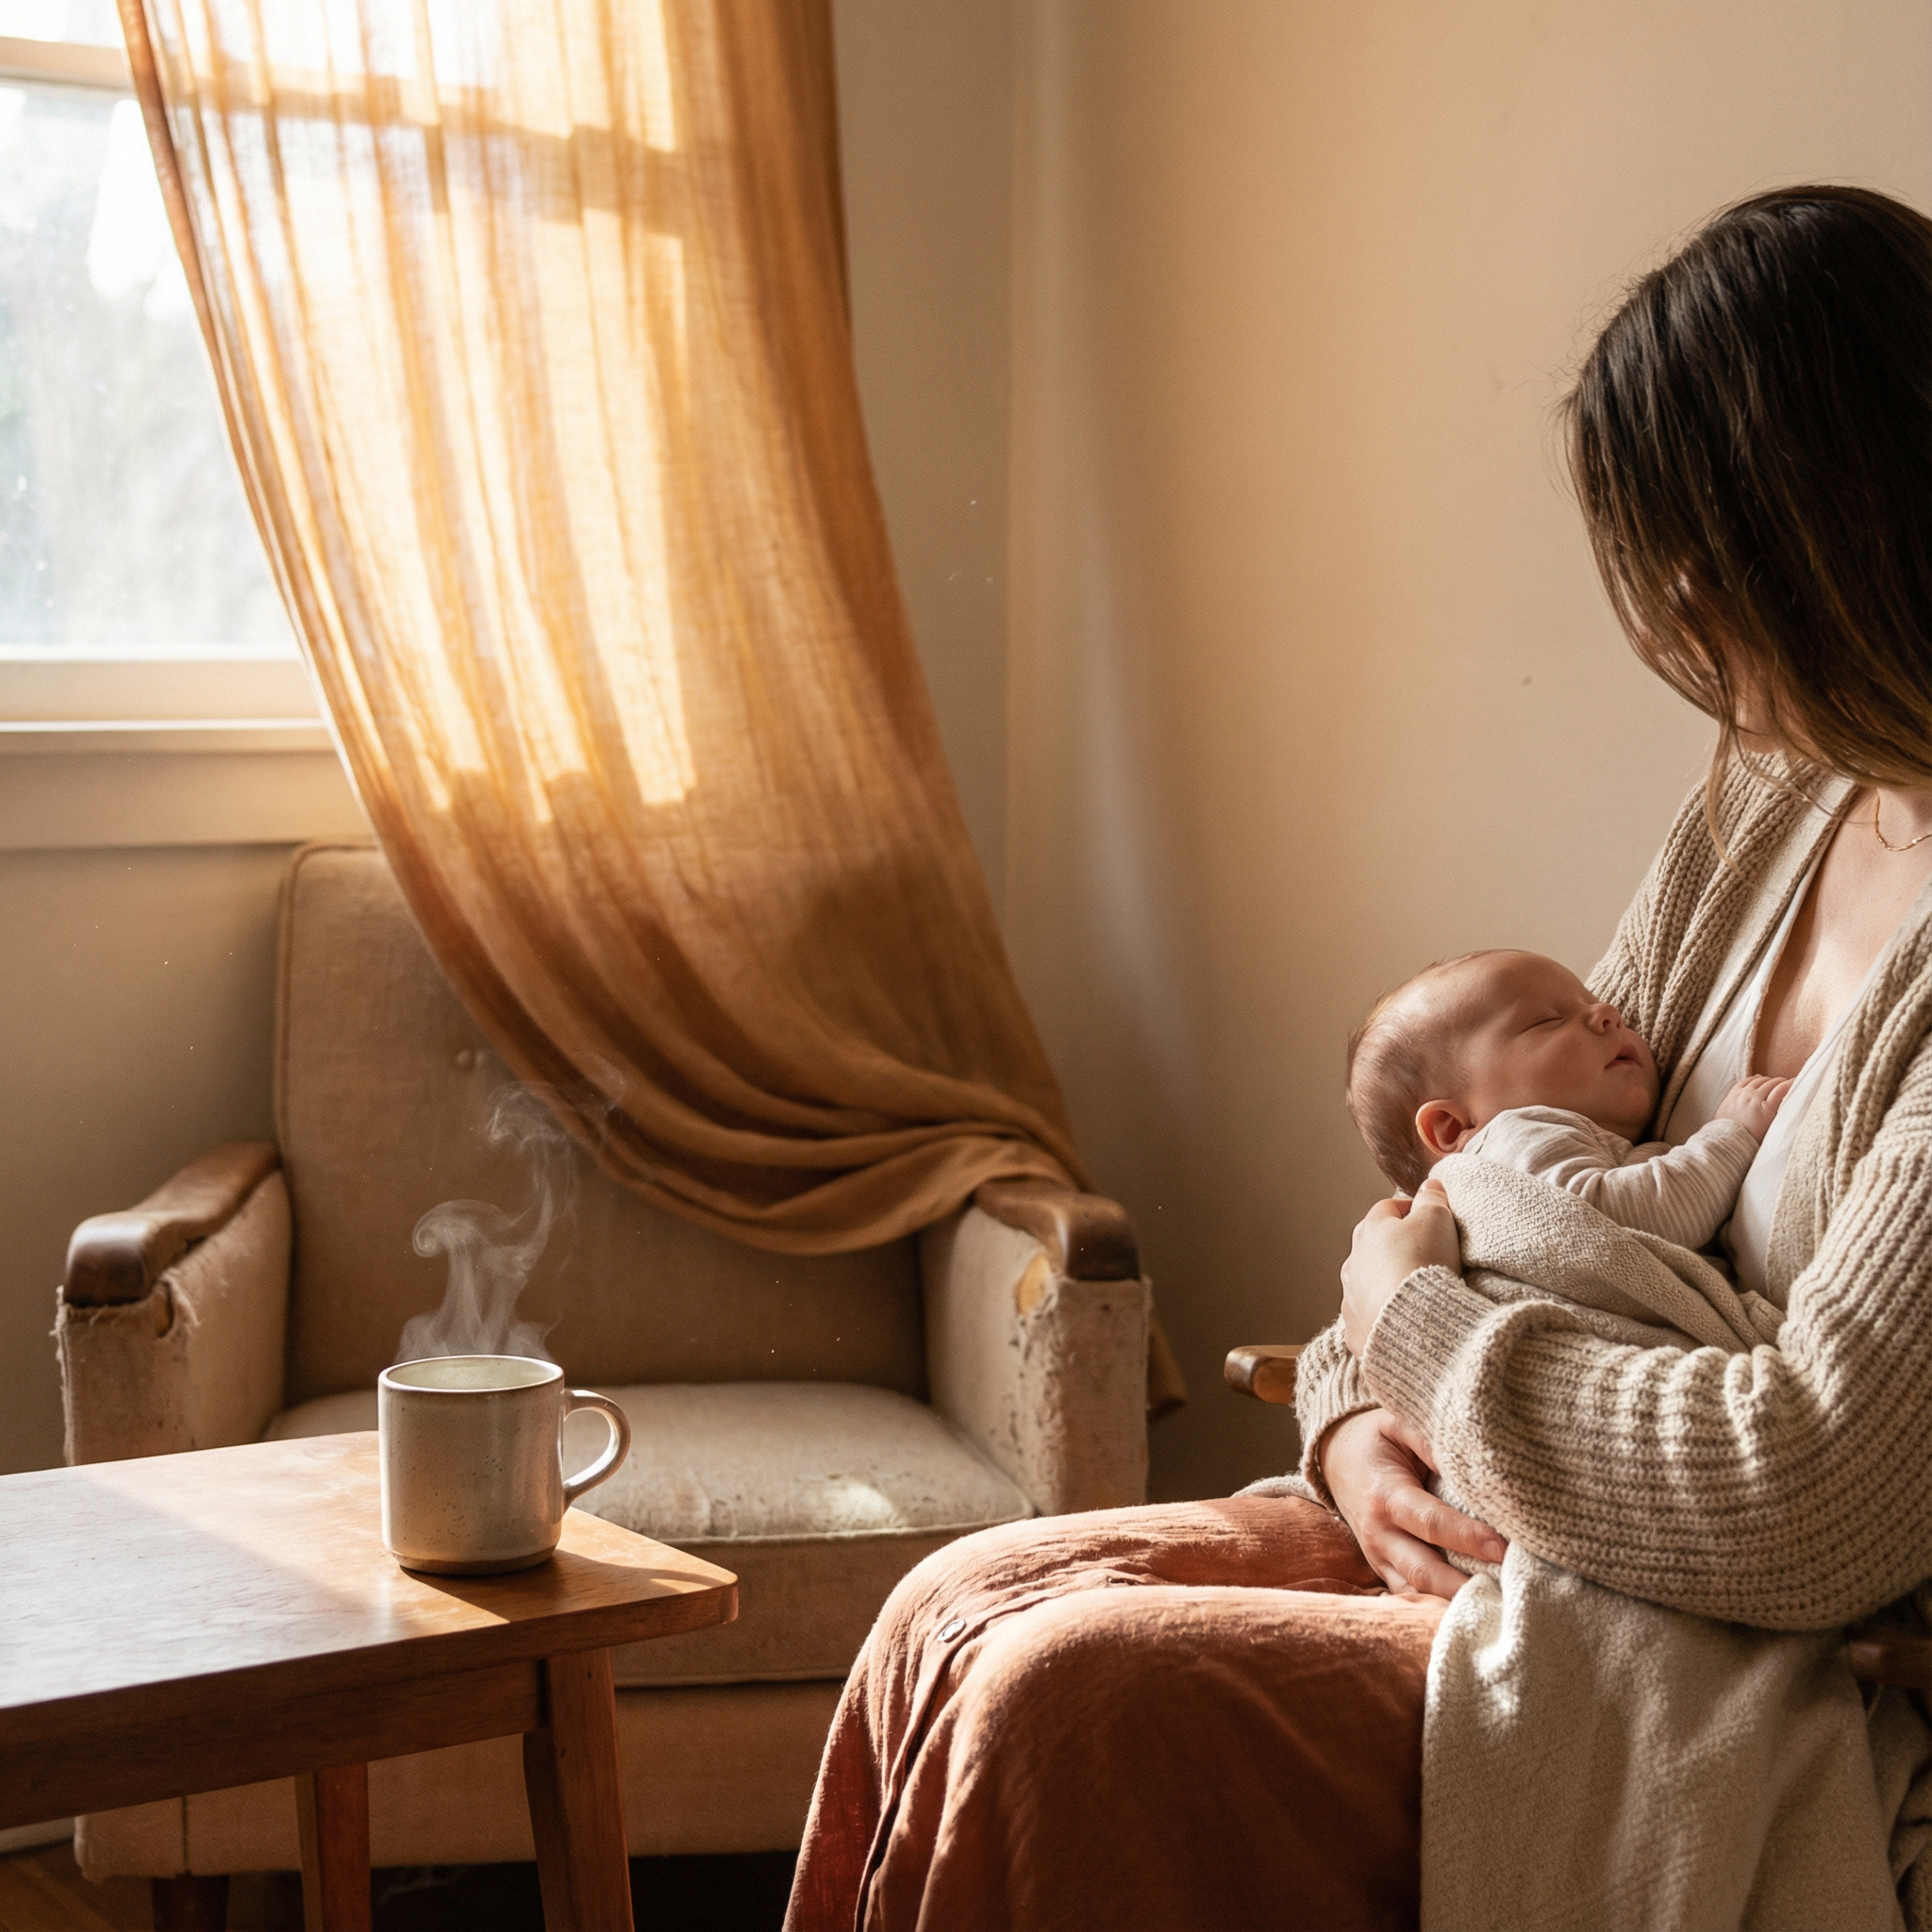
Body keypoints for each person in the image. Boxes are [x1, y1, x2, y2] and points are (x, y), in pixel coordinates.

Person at [784, 183, 1932, 1932]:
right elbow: (1482, 1192)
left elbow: (1802, 1493)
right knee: (952, 1608)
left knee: (1064, 1707)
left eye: (1710, 534)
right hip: (1535, 1536)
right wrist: (1342, 1425)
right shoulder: (1770, 804)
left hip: (1737, 1657)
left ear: (1852, 512)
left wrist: (1406, 1341)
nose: (1681, 595)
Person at [1347, 947, 1789, 1247]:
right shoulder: (1511, 1141)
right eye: (1545, 1020)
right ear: (1454, 1127)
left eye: (1592, 1001)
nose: (1608, 1013)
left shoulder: (1555, 1154)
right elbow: (1624, 1223)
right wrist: (1731, 1136)